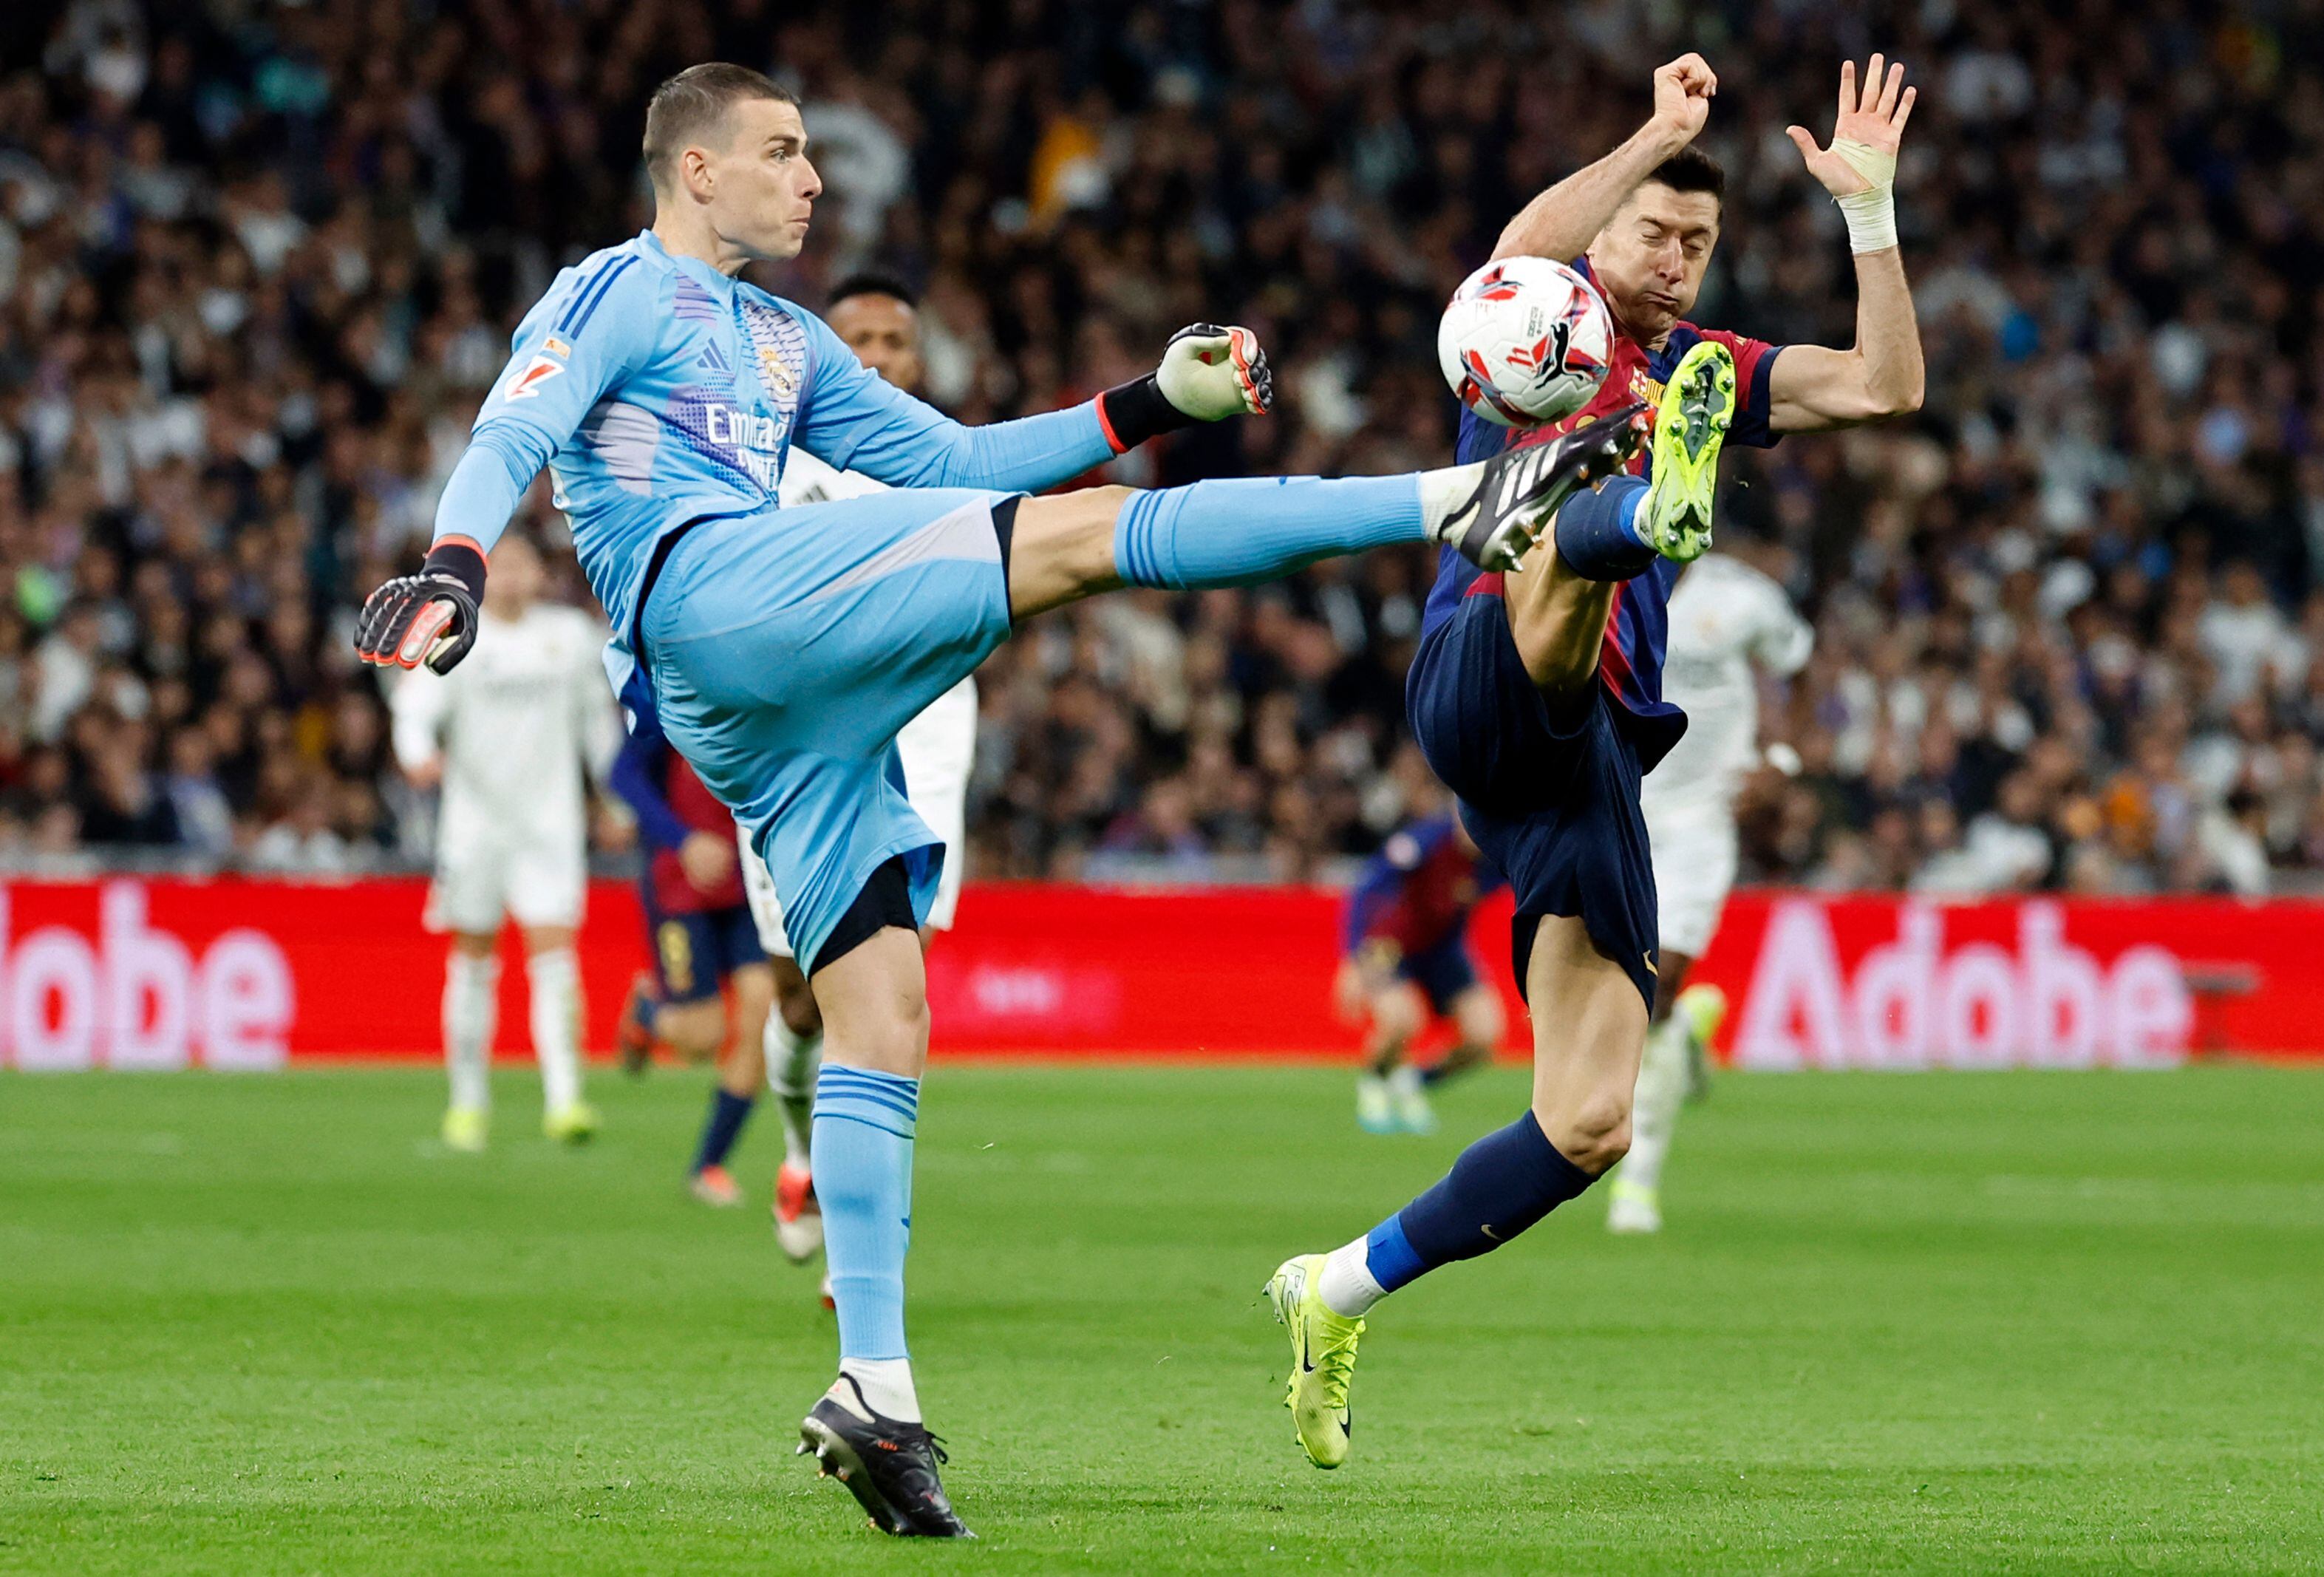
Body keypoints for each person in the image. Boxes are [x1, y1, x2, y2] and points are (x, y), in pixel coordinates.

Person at [352, 63, 1628, 1537]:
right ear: (692, 169)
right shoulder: (616, 292)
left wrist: (1151, 397)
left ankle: (875, 1392)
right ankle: (1468, 501)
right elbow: (514, 425)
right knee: (1086, 547)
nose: (809, 178)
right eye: (778, 152)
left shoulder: (784, 337)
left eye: (809, 154)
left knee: (883, 1007)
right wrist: (453, 560)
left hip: (773, 705)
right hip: (711, 594)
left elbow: (955, 459)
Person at [1264, 51, 1923, 1471]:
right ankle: (1634, 510)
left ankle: (1333, 1287)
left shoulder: (1709, 361)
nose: (1678, 260)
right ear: (1606, 231)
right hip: (1484, 666)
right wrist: (1656, 135)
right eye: (1656, 234)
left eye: (1700, 242)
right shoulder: (1538, 316)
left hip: (1590, 762)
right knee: (1563, 544)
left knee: (1588, 1122)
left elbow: (1882, 386)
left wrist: (1869, 215)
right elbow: (1517, 248)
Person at [731, 273, 981, 1291]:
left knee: (891, 986)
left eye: (897, 338)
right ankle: (801, 1153)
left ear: (922, 360)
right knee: (801, 995)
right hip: (798, 742)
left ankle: (869, 1233)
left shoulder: (949, 461)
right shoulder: (763, 459)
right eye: (858, 337)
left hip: (923, 734)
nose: (878, 353)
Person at [1606, 543, 1813, 1234]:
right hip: (1620, 804)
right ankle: (1689, 1034)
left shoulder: (1743, 597)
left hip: (1704, 817)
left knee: (1656, 989)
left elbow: (1796, 667)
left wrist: (1780, 760)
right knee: (1620, 992)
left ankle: (1636, 1184)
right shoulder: (1606, 577)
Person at [388, 533, 618, 1150]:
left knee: (555, 961)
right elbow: (414, 707)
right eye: (503, 566)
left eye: (524, 564)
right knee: (471, 961)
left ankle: (566, 1099)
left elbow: (597, 723)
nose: (513, 576)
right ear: (487, 575)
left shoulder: (571, 637)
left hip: (549, 825)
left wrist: (614, 796)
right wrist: (417, 753)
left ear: (541, 573)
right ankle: (467, 1103)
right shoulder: (458, 632)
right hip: (474, 825)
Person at [608, 672, 777, 1206]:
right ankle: (648, 1016)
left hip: (749, 886)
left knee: (764, 1017)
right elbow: (623, 775)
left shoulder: (772, 687)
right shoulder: (676, 689)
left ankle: (709, 1166)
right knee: (703, 1039)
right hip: (682, 891)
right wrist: (682, 842)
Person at [1337, 805, 1505, 1135]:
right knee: (1402, 1021)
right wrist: (1352, 956)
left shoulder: (1498, 856)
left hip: (1444, 950)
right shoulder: (1424, 841)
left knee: (1484, 1035)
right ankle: (1373, 1087)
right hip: (1389, 943)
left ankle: (1409, 1081)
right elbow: (1368, 886)